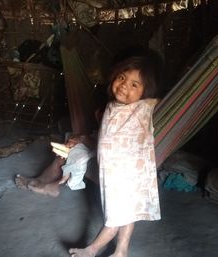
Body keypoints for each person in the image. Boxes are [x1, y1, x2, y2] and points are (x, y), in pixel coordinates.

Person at [69, 54, 162, 257]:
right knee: (126, 215)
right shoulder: (111, 107)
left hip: (127, 175)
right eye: (121, 78)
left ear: (145, 93)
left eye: (134, 84)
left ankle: (91, 250)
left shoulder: (141, 109)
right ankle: (121, 251)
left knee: (114, 218)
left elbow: (154, 102)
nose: (124, 86)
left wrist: (152, 100)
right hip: (111, 172)